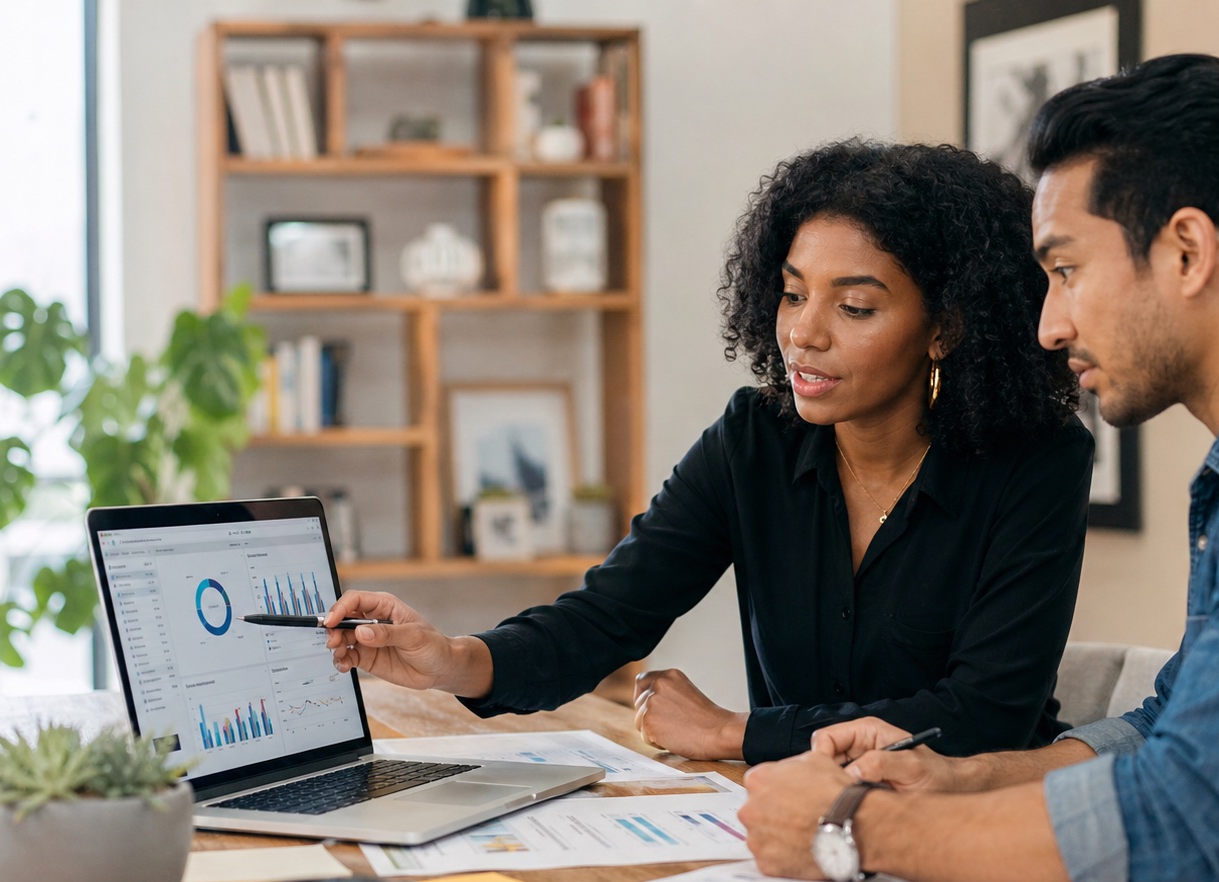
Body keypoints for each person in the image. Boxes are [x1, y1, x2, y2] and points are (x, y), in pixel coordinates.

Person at [738, 54, 1219, 882]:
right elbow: (1170, 727)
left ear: (1187, 251)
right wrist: (958, 780)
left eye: (1064, 271)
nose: (1049, 325)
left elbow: (1185, 835)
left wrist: (851, 828)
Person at [324, 139, 1093, 764]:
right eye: (793, 293)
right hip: (804, 829)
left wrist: (735, 732)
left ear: (945, 328)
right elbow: (607, 617)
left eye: (855, 306)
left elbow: (981, 717)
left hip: (983, 831)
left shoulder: (1038, 464)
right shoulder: (754, 440)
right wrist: (455, 659)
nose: (803, 333)